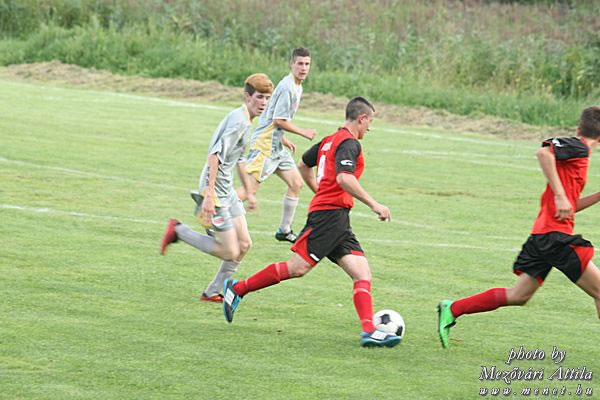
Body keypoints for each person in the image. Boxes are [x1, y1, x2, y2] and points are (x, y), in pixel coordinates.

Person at [223, 96, 401, 348]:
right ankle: (238, 288)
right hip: (328, 217)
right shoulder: (350, 143)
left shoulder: (329, 140)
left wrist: (321, 191)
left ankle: (368, 331)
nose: (369, 128)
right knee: (297, 268)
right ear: (362, 119)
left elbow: (304, 166)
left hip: (337, 217)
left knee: (362, 273)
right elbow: (344, 178)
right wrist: (374, 204)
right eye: (370, 122)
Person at [438, 106, 600, 349]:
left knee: (518, 296)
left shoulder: (578, 157)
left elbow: (569, 206)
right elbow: (543, 153)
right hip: (555, 237)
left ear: (579, 127)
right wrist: (559, 195)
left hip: (544, 235)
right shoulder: (580, 147)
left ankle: (453, 308)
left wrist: (595, 196)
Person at [159, 73, 274, 303]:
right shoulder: (238, 121)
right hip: (215, 192)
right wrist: (209, 195)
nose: (263, 102)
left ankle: (212, 292)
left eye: (267, 98)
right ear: (247, 96)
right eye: (259, 97)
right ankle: (179, 231)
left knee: (245, 244)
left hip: (226, 190)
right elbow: (214, 156)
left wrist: (249, 192)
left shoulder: (247, 121)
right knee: (230, 251)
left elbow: (238, 159)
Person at [237, 47, 317, 243]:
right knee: (249, 190)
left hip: (276, 147)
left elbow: (271, 114)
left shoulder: (297, 87)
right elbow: (278, 120)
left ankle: (284, 230)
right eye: (300, 63)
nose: (303, 68)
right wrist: (303, 132)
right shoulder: (287, 87)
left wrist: (282, 139)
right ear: (292, 64)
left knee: (296, 183)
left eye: (307, 64)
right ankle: (214, 211)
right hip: (264, 146)